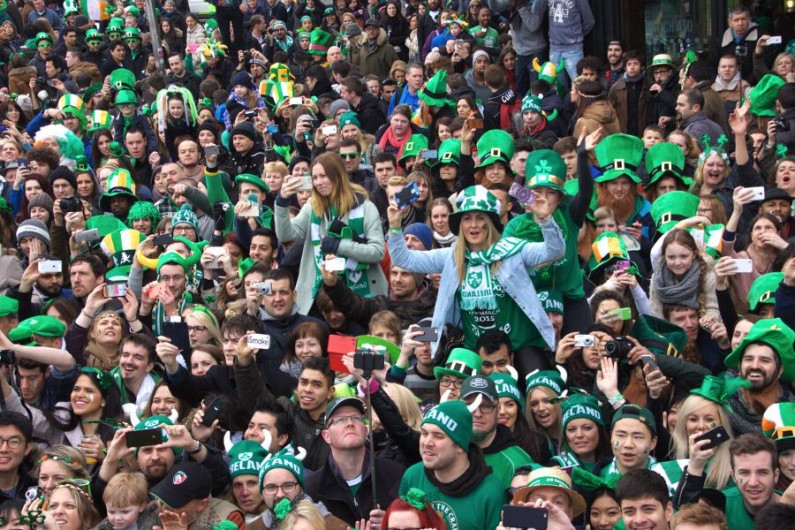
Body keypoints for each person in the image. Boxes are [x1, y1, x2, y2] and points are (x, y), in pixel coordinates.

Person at [387, 185, 565, 376]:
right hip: (475, 349)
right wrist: (395, 227)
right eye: (467, 218)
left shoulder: (513, 250)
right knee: (456, 387)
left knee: (539, 387)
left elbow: (554, 251)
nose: (473, 225)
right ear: (460, 224)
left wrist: (545, 219)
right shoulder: (451, 257)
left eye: (480, 217)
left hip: (520, 345)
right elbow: (404, 259)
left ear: (490, 222)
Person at [275, 152, 387, 315]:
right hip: (318, 293)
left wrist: (339, 245)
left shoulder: (365, 207)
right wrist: (281, 202)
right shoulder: (312, 207)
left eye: (323, 176)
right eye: (315, 177)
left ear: (338, 175)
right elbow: (285, 235)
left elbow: (377, 252)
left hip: (360, 294)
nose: (318, 182)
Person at [398, 400, 506, 530]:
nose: (427, 442)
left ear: (460, 445)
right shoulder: (413, 476)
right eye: (424, 433)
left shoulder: (491, 493)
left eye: (438, 436)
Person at [305, 397, 405, 528]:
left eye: (356, 418)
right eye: (340, 420)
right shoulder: (312, 488)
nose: (350, 423)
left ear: (366, 430)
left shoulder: (395, 474)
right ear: (326, 436)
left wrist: (392, 524)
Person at [150, 461, 245, 530]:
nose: (165, 509)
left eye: (174, 503)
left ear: (201, 504)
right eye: (164, 498)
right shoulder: (154, 511)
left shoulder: (228, 518)